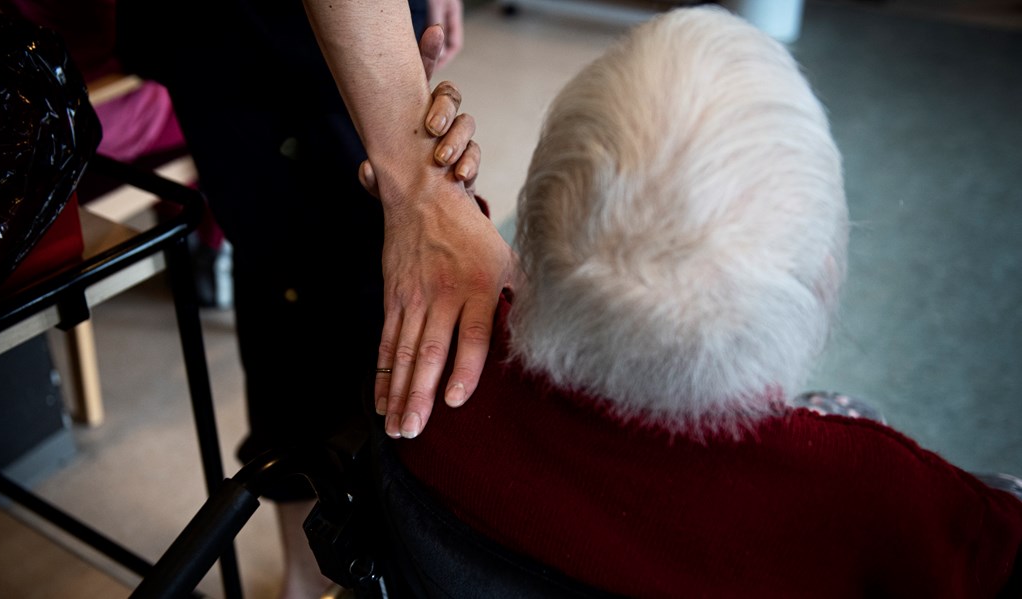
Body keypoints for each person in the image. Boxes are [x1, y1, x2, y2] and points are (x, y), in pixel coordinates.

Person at [380, 5, 1022, 597]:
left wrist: (423, 183)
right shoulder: (877, 495)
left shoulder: (428, 364)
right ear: (824, 280)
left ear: (525, 252)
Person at [113, 1, 508, 596]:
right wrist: (417, 187)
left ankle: (358, 560)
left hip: (363, 22)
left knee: (365, 279)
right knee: (296, 275)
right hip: (251, 36)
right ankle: (310, 573)